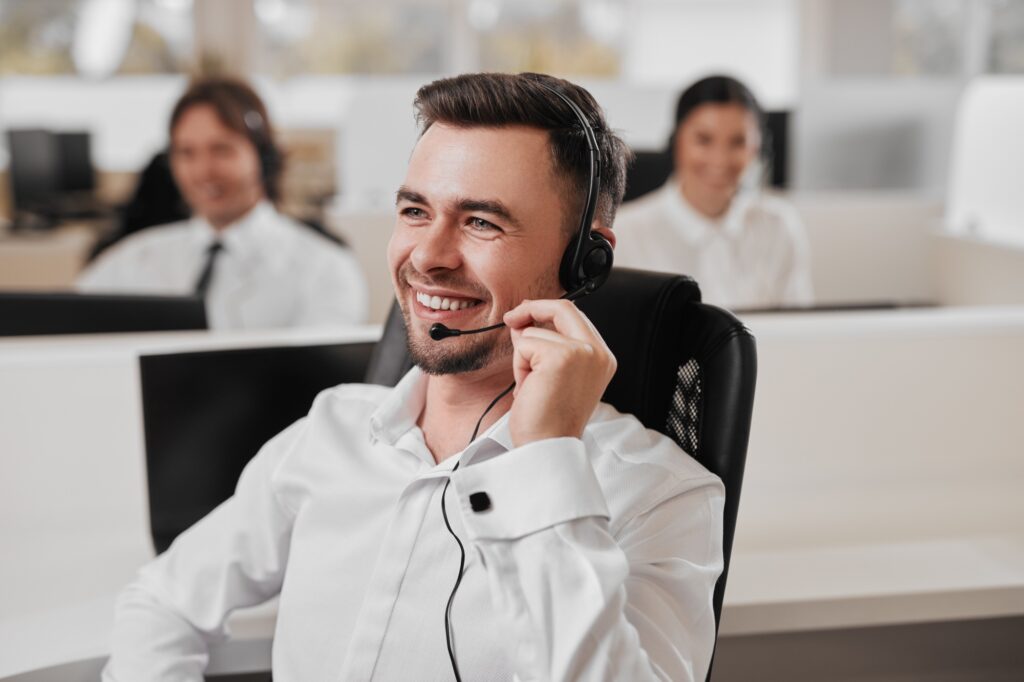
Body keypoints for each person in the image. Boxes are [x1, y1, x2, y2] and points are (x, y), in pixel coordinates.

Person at [103, 73, 724, 681]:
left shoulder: (658, 493)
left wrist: (546, 462)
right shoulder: (334, 430)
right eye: (415, 210)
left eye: (481, 221)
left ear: (586, 259)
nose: (427, 256)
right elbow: (161, 602)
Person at [77, 77, 368, 329]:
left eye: (222, 150)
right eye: (187, 153)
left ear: (263, 157)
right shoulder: (129, 261)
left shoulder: (325, 270)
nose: (203, 171)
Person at [615, 75, 813, 309]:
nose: (720, 159)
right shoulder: (625, 234)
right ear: (676, 141)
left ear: (758, 148)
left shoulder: (778, 226)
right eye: (704, 140)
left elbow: (798, 329)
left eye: (738, 142)